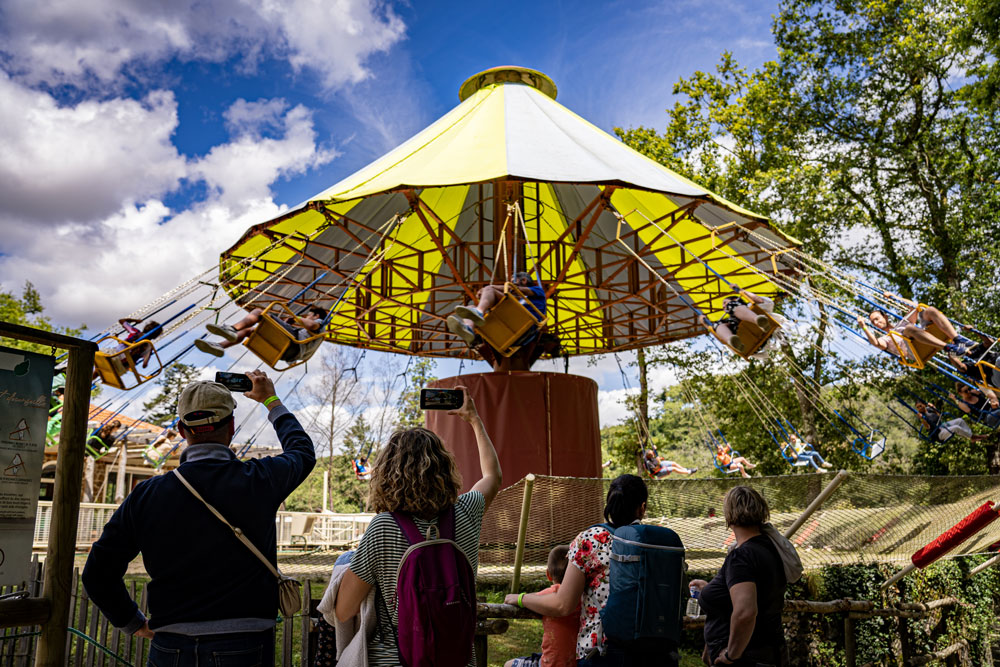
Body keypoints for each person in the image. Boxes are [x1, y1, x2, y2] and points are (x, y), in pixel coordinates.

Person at [82, 370, 315, 666]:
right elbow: (302, 452)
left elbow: (97, 573)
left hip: (170, 646)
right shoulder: (261, 479)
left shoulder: (147, 495)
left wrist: (133, 622)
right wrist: (271, 400)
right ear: (232, 427)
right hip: (245, 645)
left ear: (181, 430)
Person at [334, 387, 502, 666]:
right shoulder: (466, 511)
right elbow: (493, 476)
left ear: (387, 474)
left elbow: (343, 611)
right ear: (445, 469)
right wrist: (473, 419)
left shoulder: (383, 527)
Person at [503, 474, 677, 665]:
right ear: (642, 508)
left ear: (609, 503)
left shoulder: (591, 539)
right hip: (658, 651)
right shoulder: (658, 544)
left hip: (601, 652)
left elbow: (563, 604)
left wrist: (521, 598)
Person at [691, 486, 788, 666]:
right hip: (771, 652)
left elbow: (745, 612)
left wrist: (731, 655)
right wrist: (711, 588)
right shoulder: (769, 549)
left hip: (748, 658)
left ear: (729, 516)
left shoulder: (741, 557)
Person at [504, 545, 578, 667]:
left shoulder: (553, 593)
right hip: (578, 661)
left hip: (552, 663)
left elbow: (534, 599)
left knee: (508, 664)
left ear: (548, 574)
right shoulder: (582, 595)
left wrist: (518, 598)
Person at [447, 271, 546, 346]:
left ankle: (479, 312)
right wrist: (487, 295)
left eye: (513, 282)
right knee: (470, 307)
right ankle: (469, 329)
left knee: (489, 289)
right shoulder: (520, 300)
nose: (512, 284)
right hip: (512, 327)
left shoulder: (537, 291)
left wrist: (491, 288)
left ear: (524, 280)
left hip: (526, 323)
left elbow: (515, 289)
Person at [195, 305, 327, 362]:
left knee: (259, 312)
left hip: (293, 345)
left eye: (308, 315)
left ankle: (232, 328)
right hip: (288, 353)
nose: (306, 317)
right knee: (249, 331)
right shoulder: (311, 335)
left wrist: (296, 318)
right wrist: (289, 324)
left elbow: (311, 325)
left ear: (316, 316)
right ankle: (220, 346)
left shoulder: (320, 324)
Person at [701, 290, 775, 355]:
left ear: (735, 299)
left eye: (725, 303)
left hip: (759, 323)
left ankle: (759, 320)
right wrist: (705, 324)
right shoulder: (730, 321)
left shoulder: (751, 306)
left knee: (732, 306)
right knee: (717, 324)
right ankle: (731, 340)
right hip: (744, 339)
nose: (723, 306)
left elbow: (760, 300)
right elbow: (718, 335)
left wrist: (741, 291)